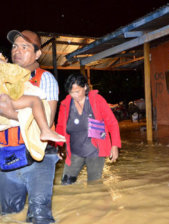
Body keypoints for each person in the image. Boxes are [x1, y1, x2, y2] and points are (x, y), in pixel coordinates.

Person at [0, 30, 59, 223]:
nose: (17, 50)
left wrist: (11, 114)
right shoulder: (3, 80)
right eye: (15, 46)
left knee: (39, 216)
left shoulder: (45, 79)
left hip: (38, 158)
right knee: (8, 214)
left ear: (37, 54)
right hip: (6, 155)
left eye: (25, 47)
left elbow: (47, 121)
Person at [56, 73, 121, 185]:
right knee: (66, 184)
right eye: (71, 92)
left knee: (94, 186)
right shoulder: (65, 104)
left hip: (95, 151)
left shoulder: (97, 100)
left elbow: (112, 123)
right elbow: (60, 127)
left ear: (85, 87)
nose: (75, 95)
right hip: (75, 152)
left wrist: (114, 146)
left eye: (77, 91)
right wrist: (58, 147)